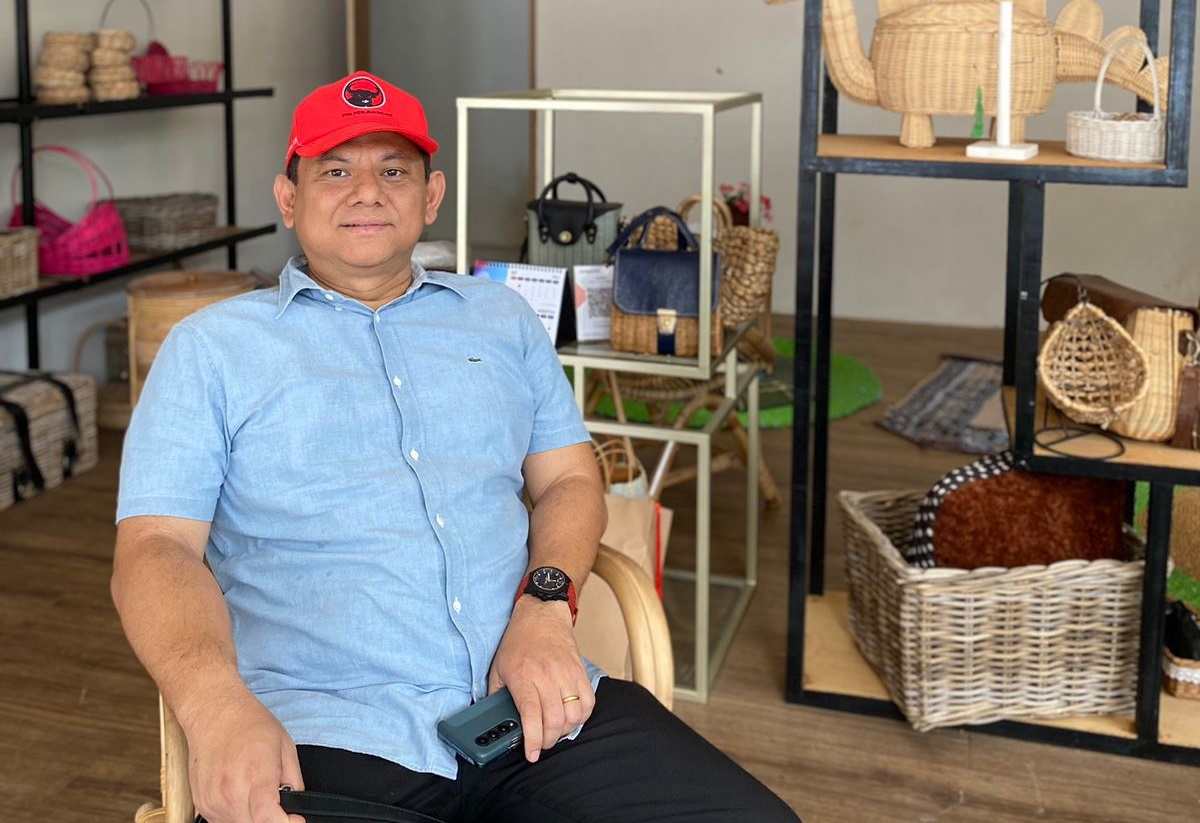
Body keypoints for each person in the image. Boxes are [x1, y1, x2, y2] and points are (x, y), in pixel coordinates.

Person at [111, 71, 801, 823]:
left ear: (431, 195)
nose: (367, 192)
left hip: (538, 702)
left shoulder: (502, 319)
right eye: (335, 171)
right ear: (288, 198)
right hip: (322, 727)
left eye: (394, 171)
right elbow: (156, 547)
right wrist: (214, 705)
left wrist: (547, 606)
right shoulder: (211, 349)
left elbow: (570, 480)